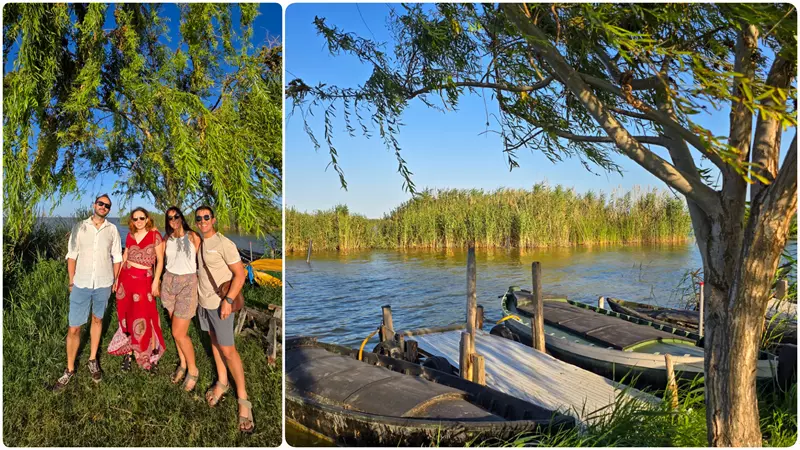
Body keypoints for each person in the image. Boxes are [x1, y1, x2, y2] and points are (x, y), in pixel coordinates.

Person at [51, 194, 122, 391]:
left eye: (107, 205)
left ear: (109, 209)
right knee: (74, 327)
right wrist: (71, 281)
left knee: (97, 320)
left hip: (103, 283)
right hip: (81, 283)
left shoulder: (112, 229)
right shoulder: (80, 227)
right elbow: (72, 255)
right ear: (94, 205)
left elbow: (117, 257)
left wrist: (115, 281)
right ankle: (70, 369)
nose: (103, 207)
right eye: (100, 203)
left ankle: (92, 359)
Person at [194, 205, 253, 433]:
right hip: (204, 304)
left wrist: (228, 301)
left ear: (213, 219)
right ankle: (222, 382)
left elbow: (240, 274)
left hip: (220, 305)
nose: (202, 221)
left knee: (229, 350)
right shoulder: (200, 243)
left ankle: (243, 399)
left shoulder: (223, 243)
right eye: (199, 218)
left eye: (206, 217)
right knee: (215, 343)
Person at [107, 207, 166, 372]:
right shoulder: (130, 235)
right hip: (127, 280)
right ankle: (129, 353)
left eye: (141, 218)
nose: (138, 221)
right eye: (135, 219)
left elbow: (160, 261)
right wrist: (117, 279)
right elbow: (125, 257)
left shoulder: (155, 236)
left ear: (147, 219)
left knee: (148, 317)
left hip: (144, 281)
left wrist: (155, 282)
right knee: (128, 316)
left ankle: (152, 355)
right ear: (131, 221)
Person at [160, 207, 201, 391]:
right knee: (174, 326)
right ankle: (183, 363)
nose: (173, 220)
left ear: (182, 217)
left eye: (176, 216)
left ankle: (193, 370)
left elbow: (201, 261)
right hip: (169, 281)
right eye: (170, 218)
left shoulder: (193, 236)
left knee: (178, 332)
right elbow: (160, 260)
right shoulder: (167, 239)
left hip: (187, 283)